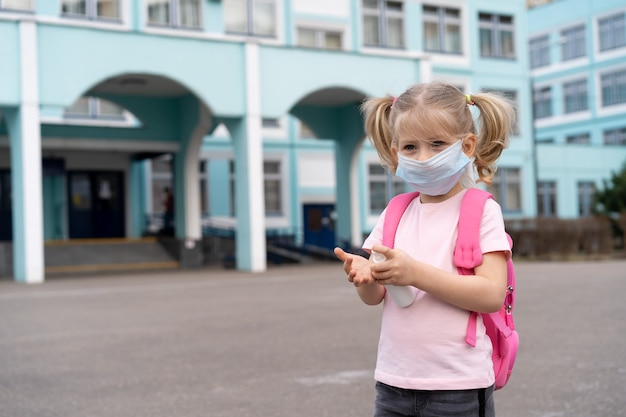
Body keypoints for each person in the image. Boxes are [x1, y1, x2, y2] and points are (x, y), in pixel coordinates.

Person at [334, 81, 516, 417]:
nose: (424, 157)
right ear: (394, 152)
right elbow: (376, 297)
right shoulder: (395, 212)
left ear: (467, 145)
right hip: (393, 381)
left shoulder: (480, 210)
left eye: (437, 144)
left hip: (457, 386)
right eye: (411, 147)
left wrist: (415, 273)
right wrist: (365, 278)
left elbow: (491, 293)